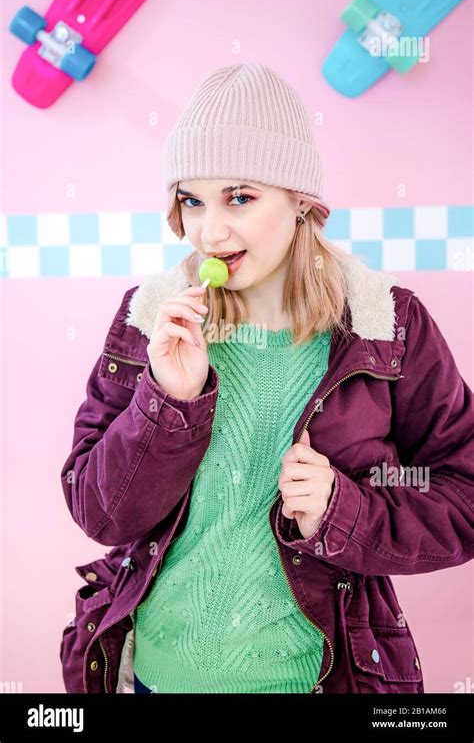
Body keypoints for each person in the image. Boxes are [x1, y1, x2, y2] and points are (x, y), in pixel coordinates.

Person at [60, 62, 473, 695]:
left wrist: (345, 510)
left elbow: (460, 491)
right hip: (156, 681)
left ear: (301, 201)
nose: (210, 230)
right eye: (191, 200)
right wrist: (167, 402)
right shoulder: (150, 320)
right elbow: (100, 512)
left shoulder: (387, 326)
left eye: (240, 197)